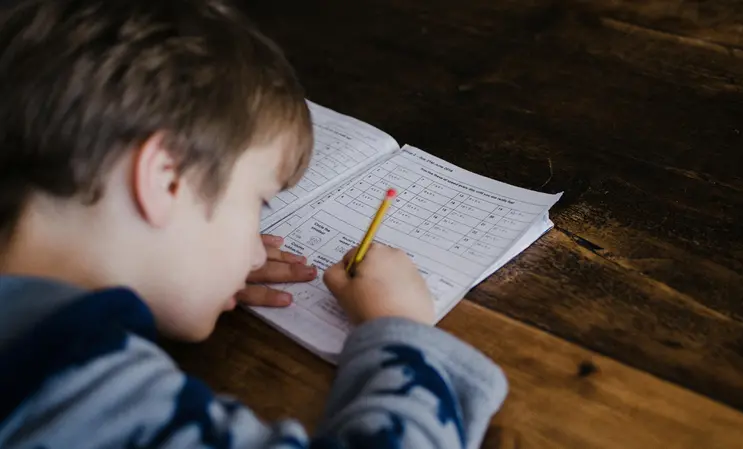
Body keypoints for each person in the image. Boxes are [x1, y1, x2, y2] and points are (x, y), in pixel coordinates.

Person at [0, 0, 508, 448]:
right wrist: (400, 331)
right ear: (166, 180)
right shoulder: (75, 389)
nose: (257, 253)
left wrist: (173, 273)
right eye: (258, 202)